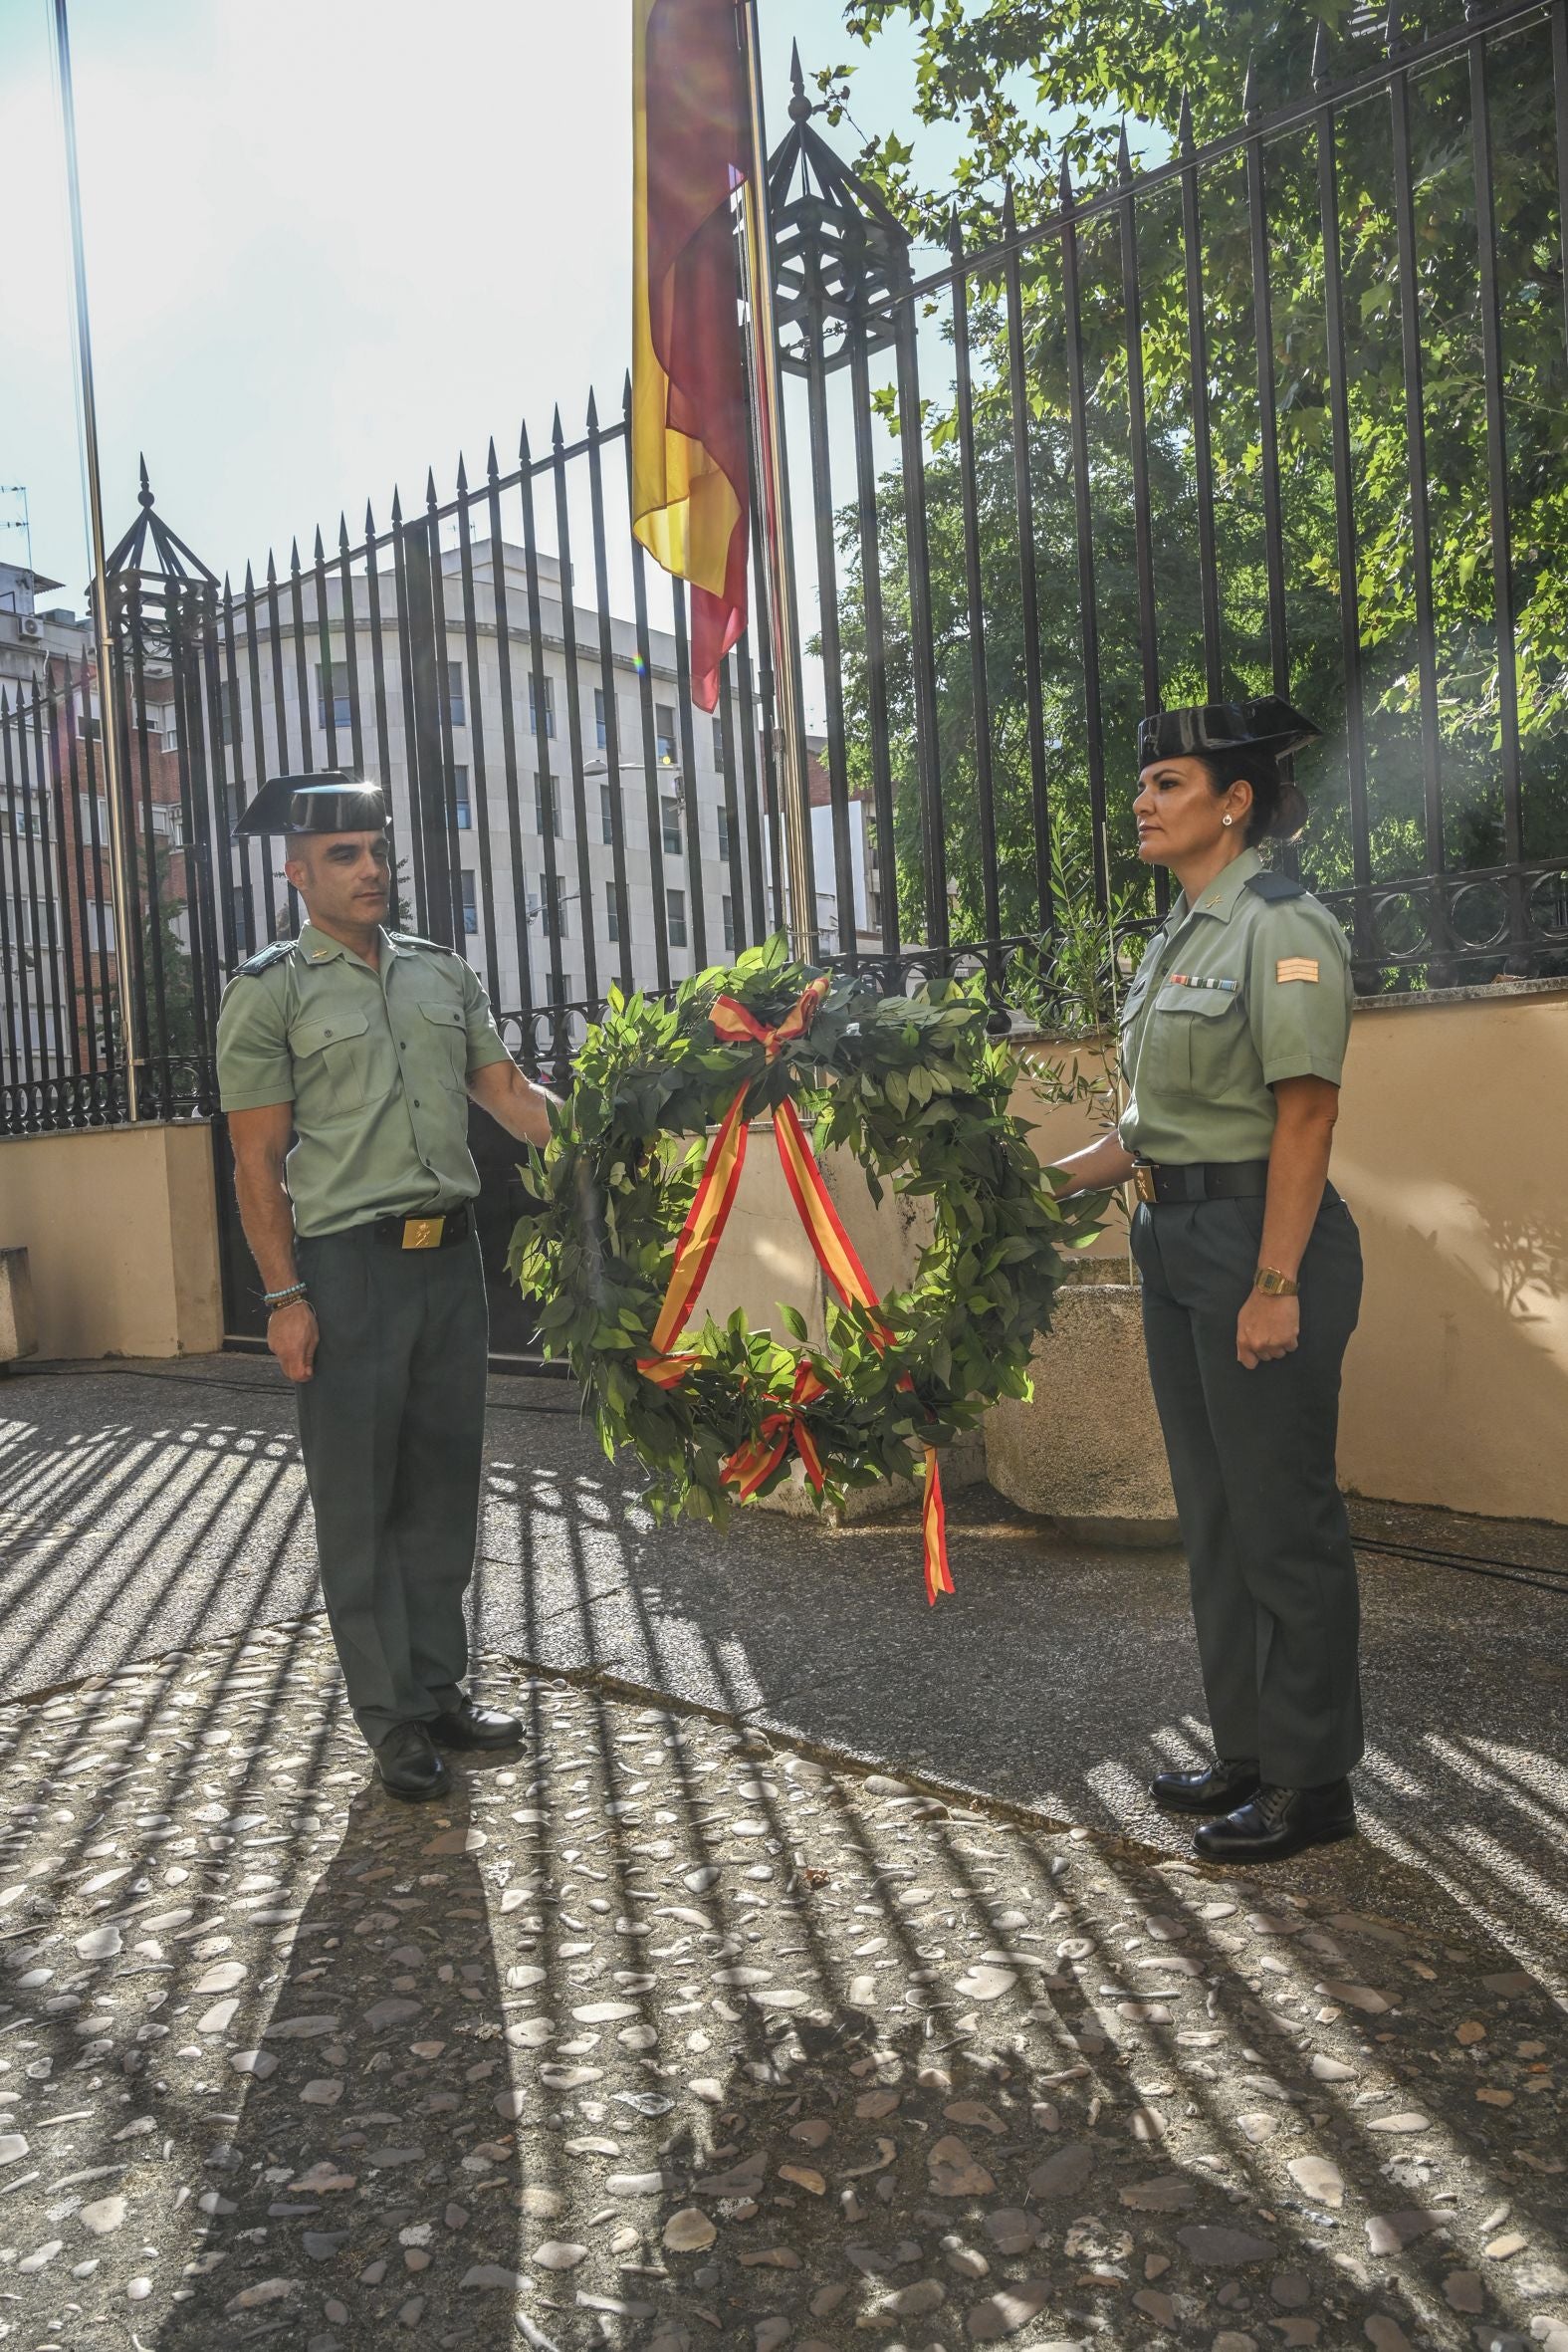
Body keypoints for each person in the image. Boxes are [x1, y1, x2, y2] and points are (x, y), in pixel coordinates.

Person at [1051, 700, 1364, 1864]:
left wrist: (1276, 1280)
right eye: (1144, 783)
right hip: (1175, 1242)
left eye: (1169, 783)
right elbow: (1148, 1127)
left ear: (1234, 801)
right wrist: (1049, 1187)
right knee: (1217, 1516)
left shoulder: (1282, 927)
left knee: (1283, 1520)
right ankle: (1249, 1747)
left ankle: (1312, 1781)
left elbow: (1307, 1113)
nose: (1142, 800)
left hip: (1258, 1243)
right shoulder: (1175, 937)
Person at [215, 773, 557, 1802]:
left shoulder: (440, 975)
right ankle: (393, 1719)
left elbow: (506, 1095)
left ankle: (440, 1688)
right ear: (298, 870)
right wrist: (284, 1299)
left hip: (451, 1262)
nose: (371, 870)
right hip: (348, 1269)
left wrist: (607, 1136)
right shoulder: (269, 990)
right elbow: (256, 1161)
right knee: (362, 1500)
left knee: (445, 1489)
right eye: (344, 856)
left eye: (376, 850)